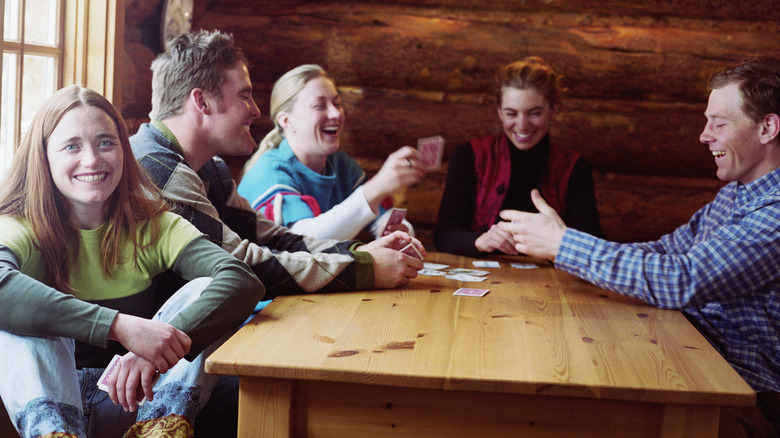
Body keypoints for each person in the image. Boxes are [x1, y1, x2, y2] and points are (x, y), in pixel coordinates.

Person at [501, 56, 780, 437]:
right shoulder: (735, 194)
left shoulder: (776, 213)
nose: (704, 135)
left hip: (745, 394)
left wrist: (565, 245)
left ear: (767, 127)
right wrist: (562, 249)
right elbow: (666, 251)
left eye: (719, 123)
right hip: (692, 356)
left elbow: (683, 278)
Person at [0, 85, 263, 438]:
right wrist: (122, 327)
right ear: (44, 156)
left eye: (106, 143)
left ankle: (162, 430)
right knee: (21, 320)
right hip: (44, 403)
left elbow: (241, 280)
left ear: (124, 151)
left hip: (136, 403)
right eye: (72, 146)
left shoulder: (153, 223)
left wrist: (156, 351)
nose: (92, 159)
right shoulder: (19, 225)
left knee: (203, 288)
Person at [237, 64, 428, 241]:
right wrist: (377, 187)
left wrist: (395, 229)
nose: (336, 114)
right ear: (286, 121)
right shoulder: (271, 172)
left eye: (337, 104)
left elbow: (381, 217)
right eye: (319, 106)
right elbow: (304, 242)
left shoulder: (342, 165)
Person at [434, 56, 602, 258]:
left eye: (534, 113)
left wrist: (556, 245)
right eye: (511, 113)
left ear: (553, 111)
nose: (522, 125)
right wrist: (481, 240)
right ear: (500, 113)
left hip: (553, 281)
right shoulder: (468, 156)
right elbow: (444, 235)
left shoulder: (575, 166)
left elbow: (592, 242)